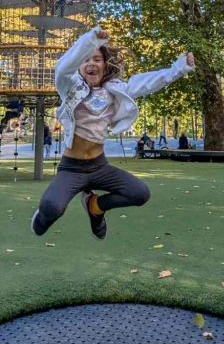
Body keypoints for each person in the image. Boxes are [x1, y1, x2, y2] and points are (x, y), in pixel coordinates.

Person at [31, 27, 195, 240]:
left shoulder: (115, 90)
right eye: (86, 60)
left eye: (97, 59)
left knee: (140, 193)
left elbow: (148, 82)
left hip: (99, 166)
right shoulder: (69, 86)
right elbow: (62, 68)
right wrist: (90, 41)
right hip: (72, 168)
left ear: (105, 65)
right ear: (79, 66)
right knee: (50, 210)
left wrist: (180, 68)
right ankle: (43, 217)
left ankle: (95, 207)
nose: (91, 64)